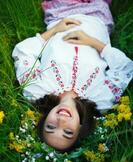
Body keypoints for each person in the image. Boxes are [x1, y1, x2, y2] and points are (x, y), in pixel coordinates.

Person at [12, 0, 133, 151]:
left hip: (60, 14)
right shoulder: (101, 99)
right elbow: (125, 68)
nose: (61, 121)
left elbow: (23, 52)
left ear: (44, 120)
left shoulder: (36, 90)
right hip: (97, 16)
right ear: (80, 128)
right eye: (68, 132)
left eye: (50, 127)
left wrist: (55, 30)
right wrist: (93, 42)